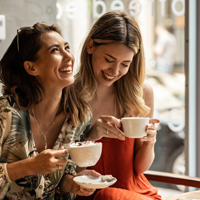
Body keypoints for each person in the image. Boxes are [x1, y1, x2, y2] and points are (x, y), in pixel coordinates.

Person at [0, 22, 100, 200]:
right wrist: (29, 165)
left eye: (66, 47)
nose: (69, 56)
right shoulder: (4, 113)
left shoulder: (79, 117)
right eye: (55, 50)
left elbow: (59, 179)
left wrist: (71, 183)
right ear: (31, 67)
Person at [74, 11, 162, 200]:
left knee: (108, 196)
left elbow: (140, 168)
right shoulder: (69, 94)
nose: (115, 71)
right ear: (91, 46)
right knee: (106, 196)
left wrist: (150, 142)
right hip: (86, 194)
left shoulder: (141, 94)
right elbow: (65, 169)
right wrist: (91, 137)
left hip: (133, 192)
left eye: (125, 64)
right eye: (109, 60)